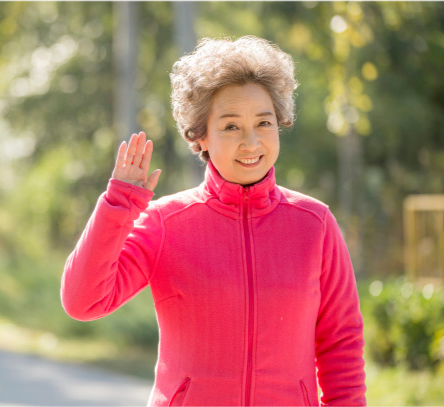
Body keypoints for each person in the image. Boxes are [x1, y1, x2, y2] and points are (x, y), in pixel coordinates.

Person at [61, 35, 366, 407]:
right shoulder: (164, 223)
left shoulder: (314, 224)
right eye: (231, 126)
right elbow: (83, 301)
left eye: (264, 123)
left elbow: (341, 342)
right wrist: (119, 204)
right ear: (201, 136)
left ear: (280, 124)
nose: (251, 142)